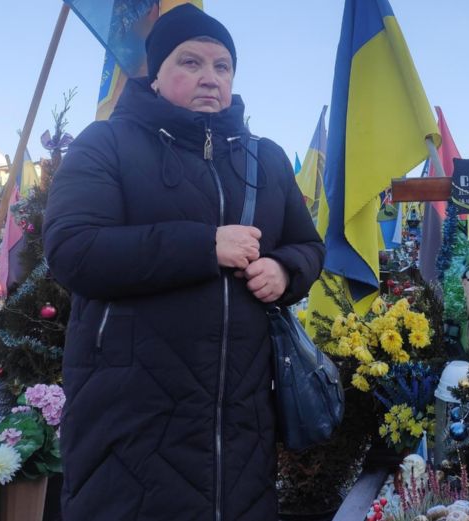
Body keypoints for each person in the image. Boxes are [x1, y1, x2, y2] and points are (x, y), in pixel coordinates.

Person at [43, 6, 324, 520]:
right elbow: (73, 250)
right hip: (130, 421)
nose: (210, 78)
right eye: (190, 62)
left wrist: (285, 272)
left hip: (239, 426)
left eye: (222, 66)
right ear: (154, 74)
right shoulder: (105, 144)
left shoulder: (267, 158)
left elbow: (309, 246)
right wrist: (203, 246)